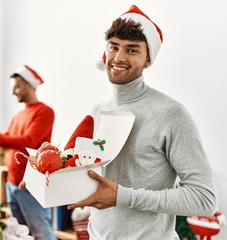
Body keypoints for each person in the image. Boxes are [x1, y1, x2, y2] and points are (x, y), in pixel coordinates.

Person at [65, 5, 217, 239]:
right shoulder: (99, 111)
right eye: (114, 47)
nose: (119, 57)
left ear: (148, 59)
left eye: (132, 50)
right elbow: (86, 174)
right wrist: (43, 178)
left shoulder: (170, 113)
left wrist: (122, 196)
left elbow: (204, 199)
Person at [0, 65, 56, 239]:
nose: (13, 92)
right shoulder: (18, 116)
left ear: (29, 85)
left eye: (17, 86)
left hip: (31, 184)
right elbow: (5, 141)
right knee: (20, 233)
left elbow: (28, 142)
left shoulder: (44, 112)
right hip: (12, 183)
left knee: (41, 232)